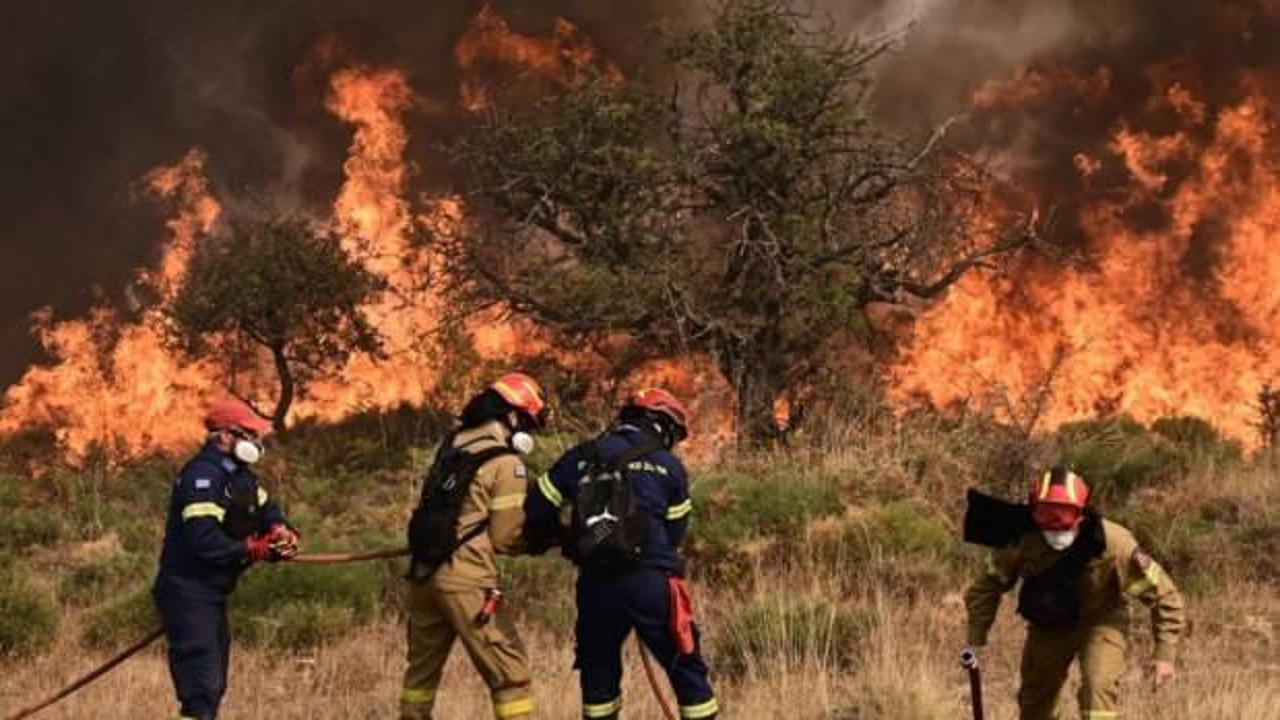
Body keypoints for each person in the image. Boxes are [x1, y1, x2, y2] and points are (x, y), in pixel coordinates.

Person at [526, 388, 719, 720]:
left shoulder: (583, 455)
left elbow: (535, 511)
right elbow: (675, 533)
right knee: (686, 668)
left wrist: (568, 540)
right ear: (663, 426)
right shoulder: (669, 467)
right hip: (651, 584)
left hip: (597, 586)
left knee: (598, 676)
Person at [963, 467, 1186, 720]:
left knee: (1097, 687)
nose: (1056, 523)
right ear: (1034, 511)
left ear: (1080, 514)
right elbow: (988, 585)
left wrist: (1164, 655)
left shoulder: (1113, 543)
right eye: (1047, 514)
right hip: (1049, 625)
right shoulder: (1021, 540)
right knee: (1035, 702)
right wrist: (976, 639)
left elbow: (1165, 596)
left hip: (1102, 621)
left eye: (1065, 514)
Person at [400, 373, 549, 720]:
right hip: (467, 581)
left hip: (424, 574)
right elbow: (505, 537)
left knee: (420, 677)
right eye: (526, 422)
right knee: (511, 677)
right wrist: (541, 540)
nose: (526, 431)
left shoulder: (452, 445)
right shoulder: (506, 463)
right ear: (511, 416)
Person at [153, 397, 300, 720]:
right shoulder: (202, 478)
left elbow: (265, 509)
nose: (256, 442)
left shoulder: (240, 476)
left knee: (213, 687)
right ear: (224, 436)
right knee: (201, 691)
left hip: (212, 592)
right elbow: (203, 540)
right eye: (249, 434)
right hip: (187, 592)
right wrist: (253, 549)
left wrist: (281, 530)